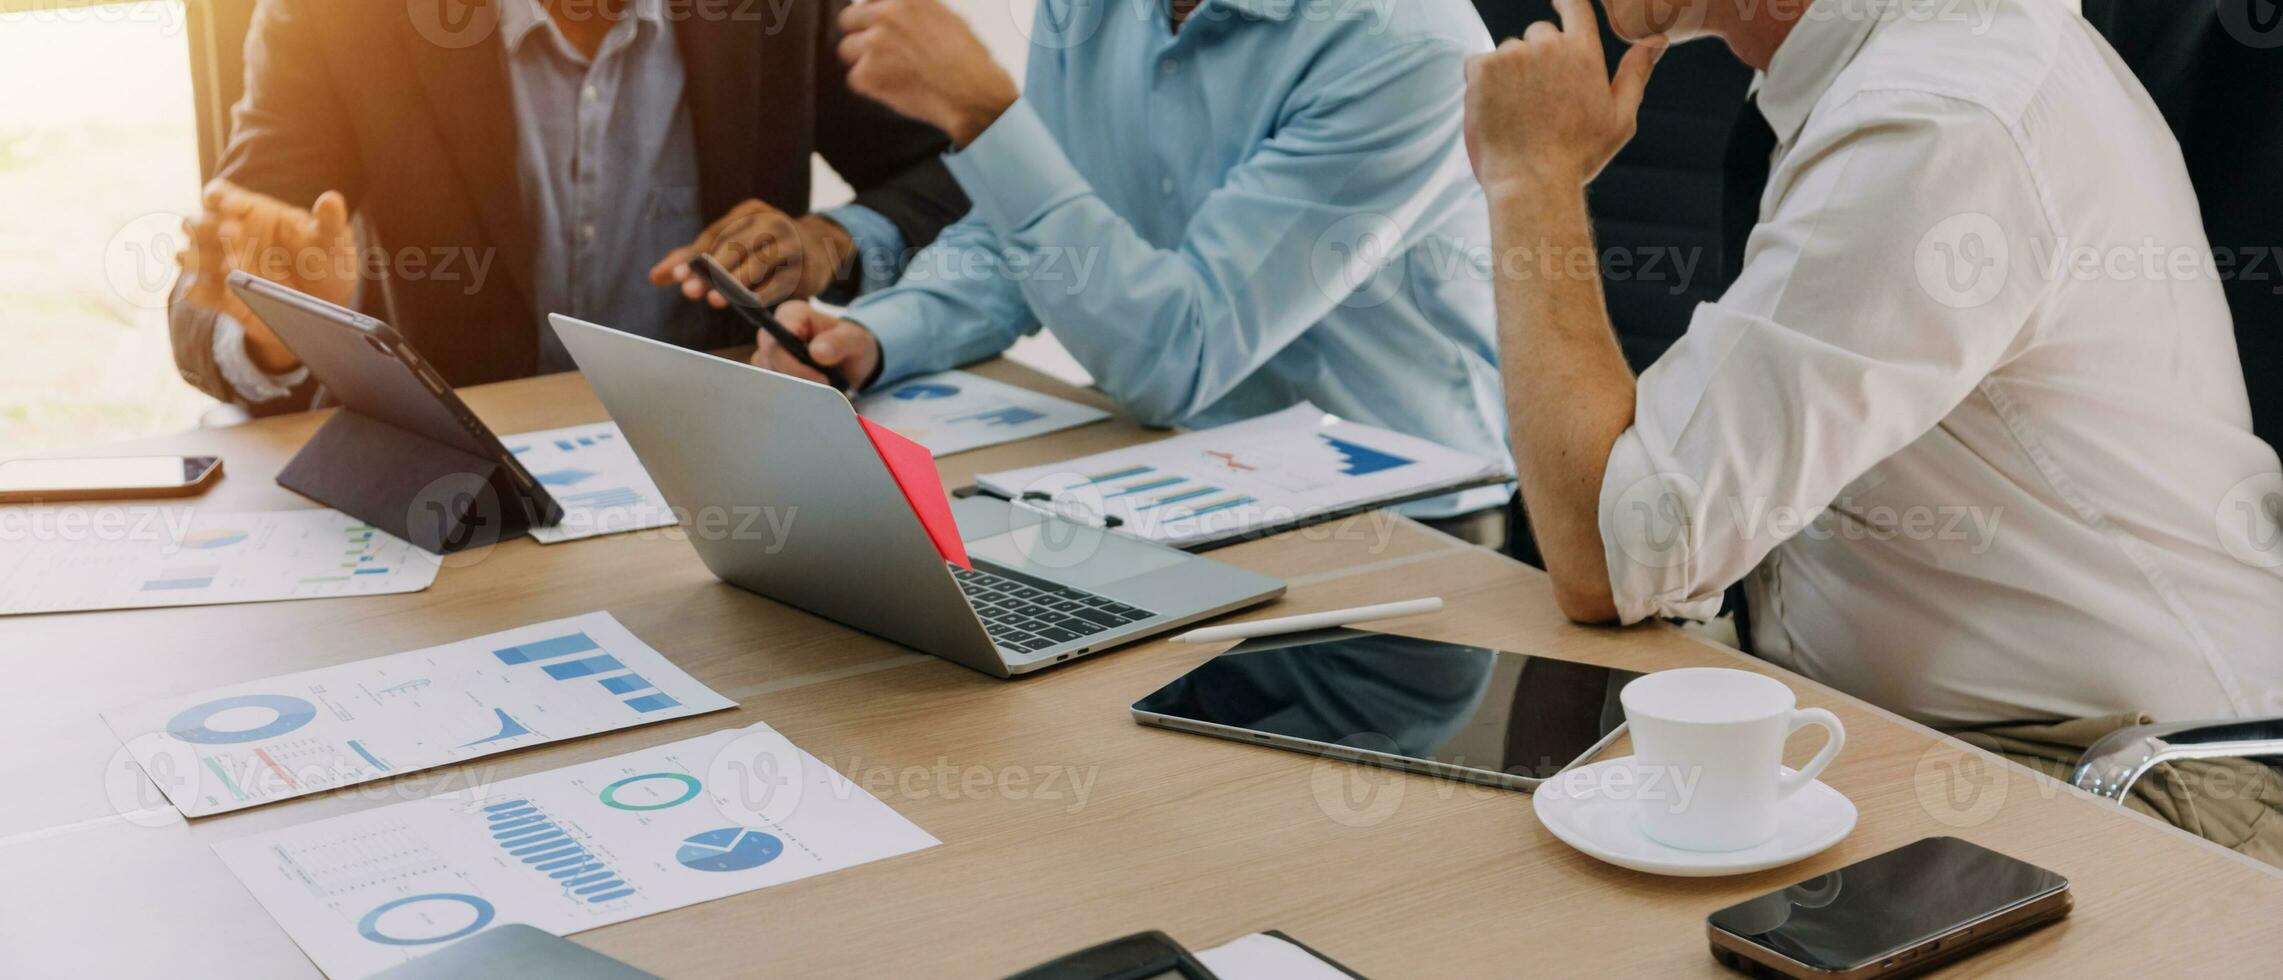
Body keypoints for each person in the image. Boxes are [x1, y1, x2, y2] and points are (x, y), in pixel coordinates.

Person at [1464, 0, 2283, 857]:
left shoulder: (1936, 117)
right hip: (1948, 738)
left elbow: (1607, 552)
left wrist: (1531, 177)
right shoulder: (1899, 71)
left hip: (2138, 788)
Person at [748, 0, 1514, 539]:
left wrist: (983, 115)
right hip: (1164, 473)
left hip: (1392, 528)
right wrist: (871, 337)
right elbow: (1028, 236)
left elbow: (1180, 356)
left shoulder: (1404, 43)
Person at [172, 0, 967, 414]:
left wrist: (830, 237)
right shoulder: (346, 19)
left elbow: (953, 172)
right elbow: (210, 305)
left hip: (722, 477)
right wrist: (282, 330)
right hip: (464, 494)